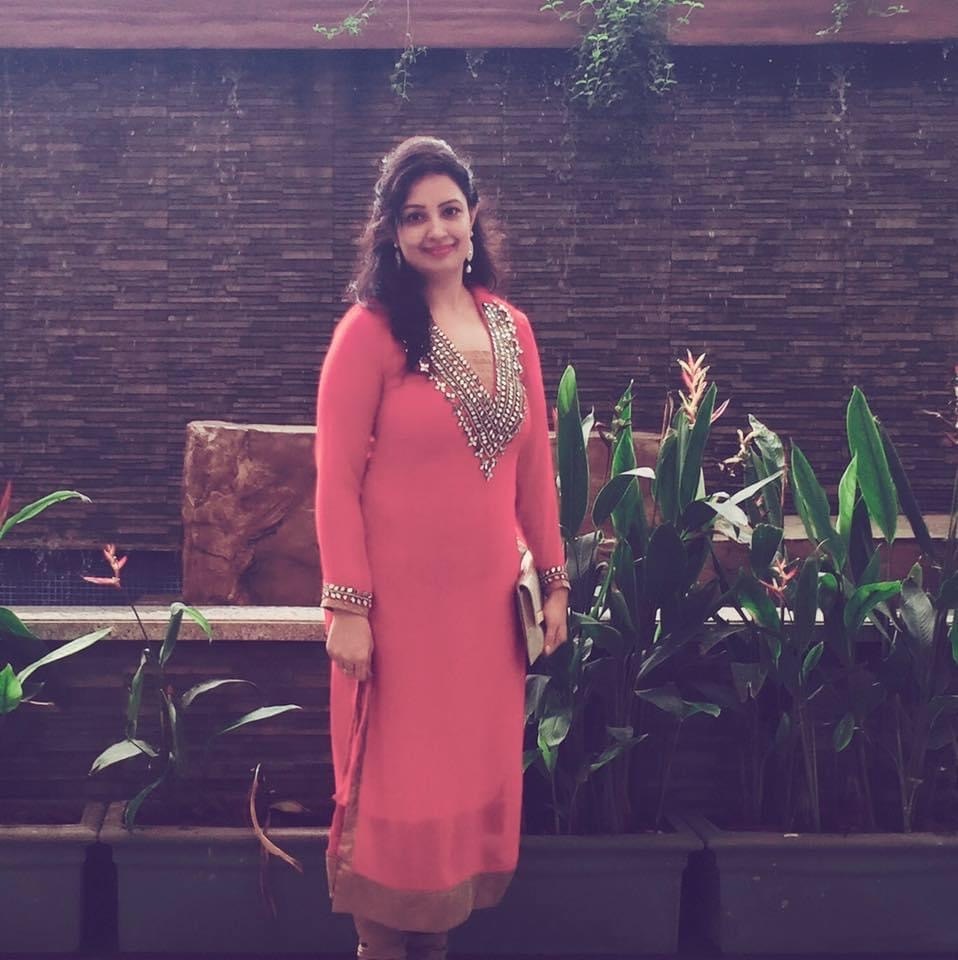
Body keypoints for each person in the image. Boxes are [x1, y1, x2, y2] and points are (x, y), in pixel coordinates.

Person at [314, 136, 569, 960]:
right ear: (391, 232)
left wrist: (556, 581)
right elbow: (334, 482)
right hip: (396, 624)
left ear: (474, 218)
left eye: (449, 211)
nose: (436, 230)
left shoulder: (514, 330)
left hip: (484, 624)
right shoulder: (369, 334)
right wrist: (349, 606)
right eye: (414, 215)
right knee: (396, 792)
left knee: (458, 799)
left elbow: (533, 471)